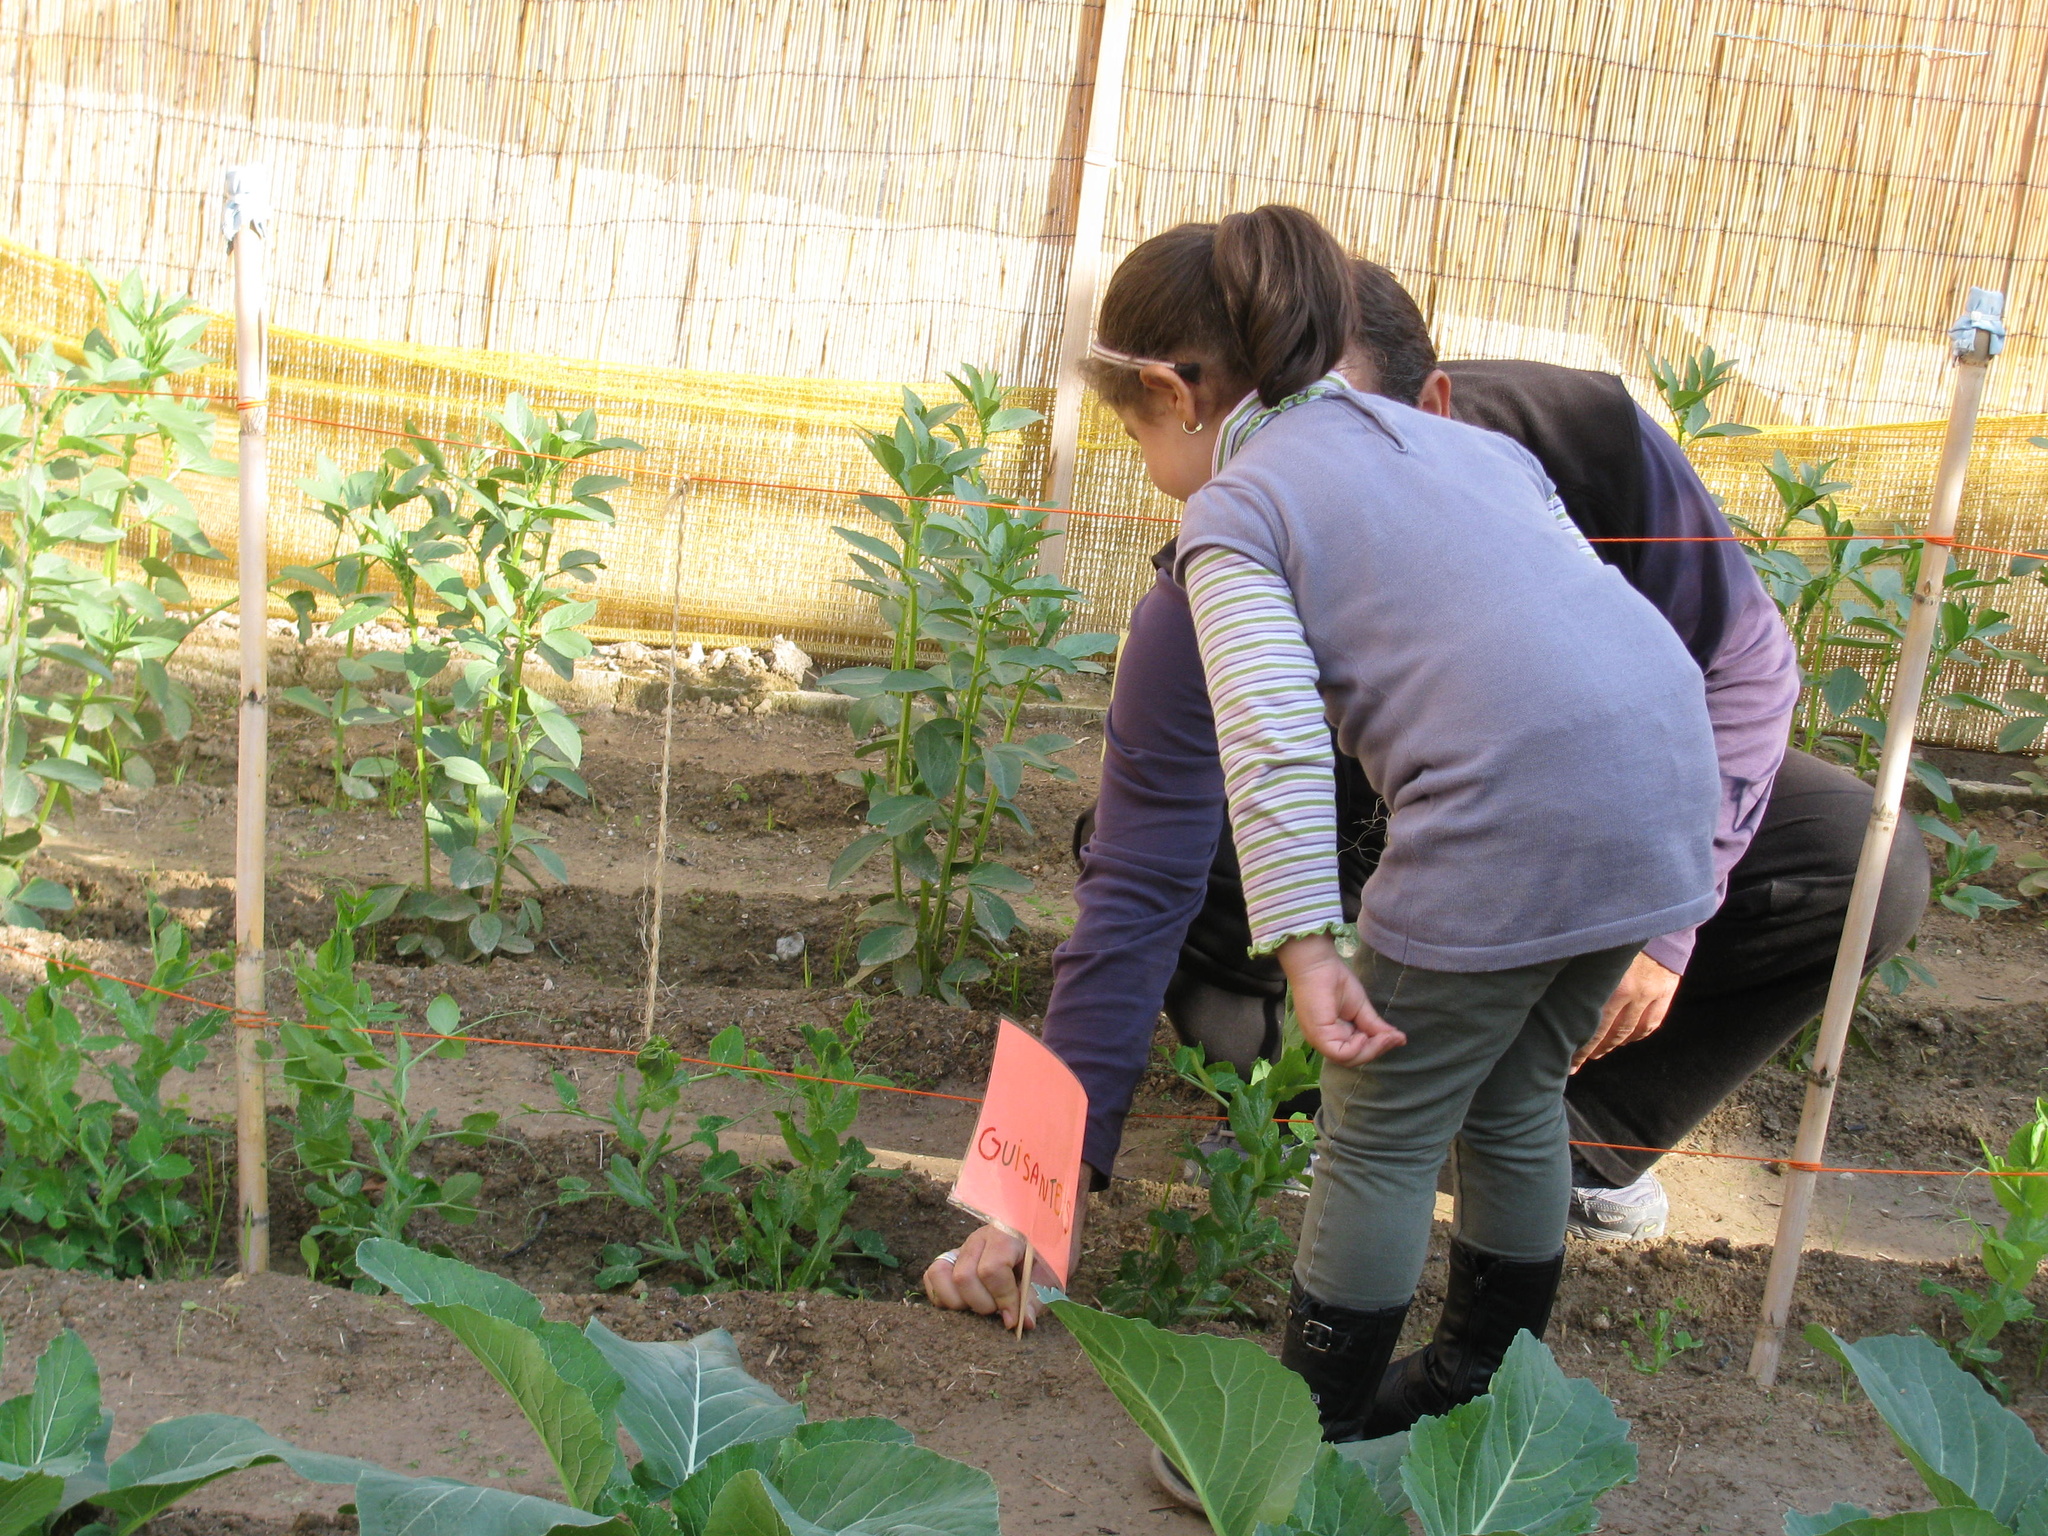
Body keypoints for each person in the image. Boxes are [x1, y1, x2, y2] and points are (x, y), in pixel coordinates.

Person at [932, 204, 1724, 1447]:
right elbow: (1589, 618)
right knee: (1513, 1091)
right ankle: (1474, 1390)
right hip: (1671, 802)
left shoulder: (1237, 511)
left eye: (1132, 432)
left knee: (1379, 1128)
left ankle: (1303, 1444)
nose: (1147, 466)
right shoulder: (1456, 447)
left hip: (1503, 821)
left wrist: (1304, 946)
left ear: (1166, 390)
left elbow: (1274, 739)